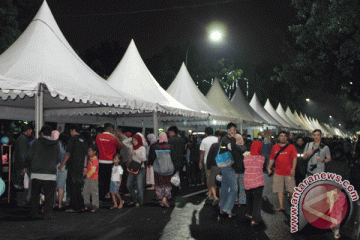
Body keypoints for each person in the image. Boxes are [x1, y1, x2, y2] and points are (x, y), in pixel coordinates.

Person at [27, 125, 60, 220]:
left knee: (35, 195)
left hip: (36, 173)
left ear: (42, 133)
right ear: (50, 133)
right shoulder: (56, 144)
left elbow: (29, 156)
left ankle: (33, 213)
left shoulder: (36, 142)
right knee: (49, 196)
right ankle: (47, 214)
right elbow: (58, 159)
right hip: (50, 174)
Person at [58, 124, 89, 213]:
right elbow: (85, 155)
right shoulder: (83, 140)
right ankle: (80, 205)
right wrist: (85, 167)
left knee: (73, 186)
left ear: (73, 130)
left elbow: (68, 154)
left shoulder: (72, 139)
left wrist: (62, 164)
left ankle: (74, 206)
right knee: (79, 186)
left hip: (73, 166)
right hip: (80, 167)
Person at [267, 131, 297, 211]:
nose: (283, 138)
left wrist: (293, 169)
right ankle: (281, 206)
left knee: (291, 190)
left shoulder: (291, 147)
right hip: (278, 172)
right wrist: (269, 167)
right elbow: (272, 158)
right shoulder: (275, 147)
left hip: (289, 172)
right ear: (278, 138)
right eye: (281, 136)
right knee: (279, 190)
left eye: (284, 136)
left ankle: (292, 200)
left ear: (287, 138)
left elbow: (295, 158)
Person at [96, 123, 122, 200]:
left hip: (100, 161)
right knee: (110, 179)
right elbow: (119, 146)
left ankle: (101, 196)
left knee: (101, 179)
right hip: (110, 162)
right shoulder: (113, 138)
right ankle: (109, 195)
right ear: (110, 129)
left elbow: (96, 147)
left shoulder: (98, 137)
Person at [219, 122, 238, 218]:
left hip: (226, 165)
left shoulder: (226, 139)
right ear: (229, 130)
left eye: (235, 130)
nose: (235, 132)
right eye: (233, 130)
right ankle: (227, 208)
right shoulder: (226, 139)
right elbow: (232, 148)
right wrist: (233, 138)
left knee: (225, 187)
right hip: (227, 165)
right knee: (234, 188)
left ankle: (223, 208)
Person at [148, 132, 173, 207]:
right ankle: (165, 198)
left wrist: (150, 164)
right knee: (168, 184)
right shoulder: (170, 146)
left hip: (158, 170)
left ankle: (161, 199)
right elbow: (174, 157)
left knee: (159, 184)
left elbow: (151, 158)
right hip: (169, 169)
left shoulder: (154, 146)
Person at [244, 141, 265, 226]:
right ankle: (255, 219)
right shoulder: (262, 158)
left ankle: (249, 214)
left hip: (248, 181)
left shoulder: (246, 157)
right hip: (258, 181)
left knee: (249, 199)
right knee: (257, 201)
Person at [123, 134, 146, 208]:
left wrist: (136, 154)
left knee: (139, 186)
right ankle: (135, 200)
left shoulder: (142, 148)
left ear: (139, 140)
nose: (134, 142)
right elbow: (124, 142)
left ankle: (139, 201)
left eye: (136, 140)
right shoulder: (132, 146)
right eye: (133, 140)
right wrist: (131, 138)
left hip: (140, 168)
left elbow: (144, 159)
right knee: (128, 185)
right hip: (133, 167)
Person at [206, 131, 227, 207]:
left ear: (219, 137)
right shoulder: (227, 146)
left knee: (213, 183)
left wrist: (208, 167)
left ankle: (215, 197)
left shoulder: (214, 145)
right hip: (224, 167)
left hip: (214, 166)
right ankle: (220, 202)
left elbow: (209, 157)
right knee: (221, 185)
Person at [199, 127, 218, 199]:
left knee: (208, 177)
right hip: (216, 161)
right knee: (216, 177)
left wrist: (200, 162)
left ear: (206, 133)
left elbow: (202, 153)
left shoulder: (204, 140)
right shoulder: (217, 139)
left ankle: (210, 192)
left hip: (207, 161)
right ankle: (214, 192)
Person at [12, 124, 32, 190]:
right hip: (21, 165)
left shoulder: (21, 138)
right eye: (30, 130)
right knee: (21, 184)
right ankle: (22, 199)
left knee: (21, 183)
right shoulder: (23, 139)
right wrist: (24, 166)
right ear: (27, 130)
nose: (31, 132)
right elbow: (23, 153)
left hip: (19, 164)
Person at [53, 131, 69, 210]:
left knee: (53, 185)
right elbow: (67, 155)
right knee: (61, 186)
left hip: (55, 165)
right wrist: (62, 164)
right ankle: (60, 204)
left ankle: (53, 203)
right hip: (64, 167)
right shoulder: (67, 145)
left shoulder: (55, 143)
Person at [82, 145, 99, 212]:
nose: (89, 152)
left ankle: (95, 206)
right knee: (85, 191)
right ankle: (87, 205)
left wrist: (87, 175)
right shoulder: (90, 159)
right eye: (88, 151)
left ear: (94, 152)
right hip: (88, 178)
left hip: (93, 179)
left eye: (90, 151)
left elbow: (93, 170)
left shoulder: (95, 160)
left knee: (94, 193)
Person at [233, 134, 246, 206]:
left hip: (234, 169)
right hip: (243, 169)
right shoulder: (245, 148)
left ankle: (235, 200)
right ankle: (242, 200)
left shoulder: (233, 148)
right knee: (242, 186)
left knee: (234, 186)